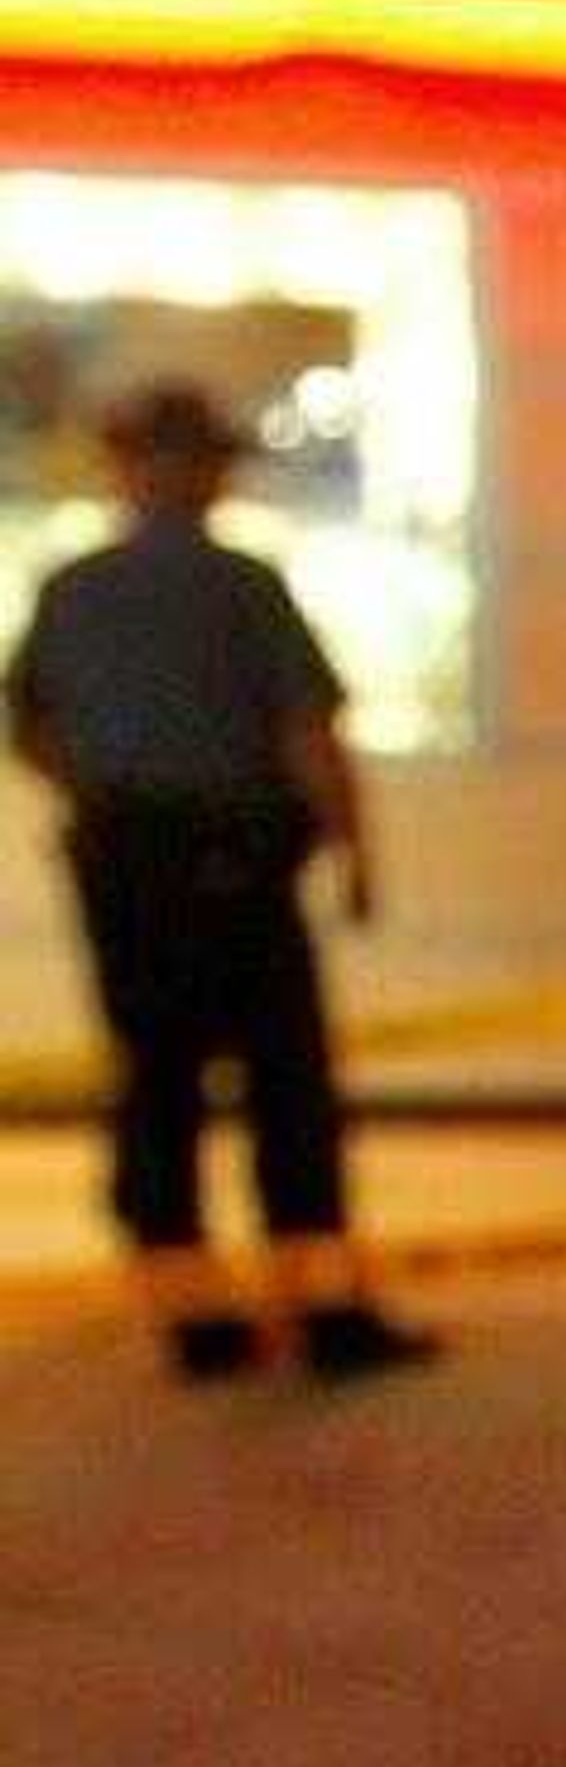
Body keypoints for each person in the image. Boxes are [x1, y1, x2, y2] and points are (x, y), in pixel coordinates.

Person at [5, 378, 434, 1383]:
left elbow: (28, 729)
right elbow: (306, 734)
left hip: (128, 866)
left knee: (157, 1091)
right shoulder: (245, 589)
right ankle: (326, 1318)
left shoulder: (72, 590)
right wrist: (355, 851)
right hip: (237, 864)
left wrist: (107, 796)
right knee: (288, 1092)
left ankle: (195, 1321)